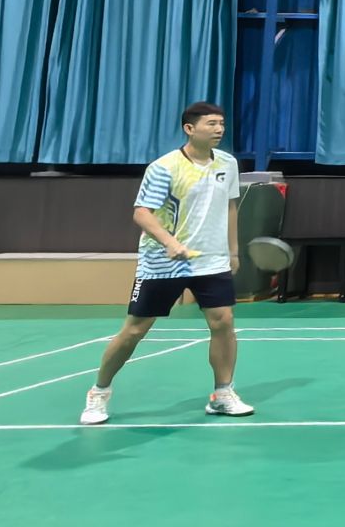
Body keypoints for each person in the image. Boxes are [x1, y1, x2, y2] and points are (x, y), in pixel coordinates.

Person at [80, 102, 252, 426]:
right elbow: (141, 213)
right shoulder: (164, 167)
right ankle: (99, 391)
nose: (219, 129)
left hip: (210, 260)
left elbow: (230, 207)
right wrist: (171, 243)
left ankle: (222, 394)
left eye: (221, 123)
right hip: (162, 262)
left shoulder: (227, 163)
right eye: (211, 123)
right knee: (135, 330)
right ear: (190, 128)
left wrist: (233, 251)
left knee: (223, 322)